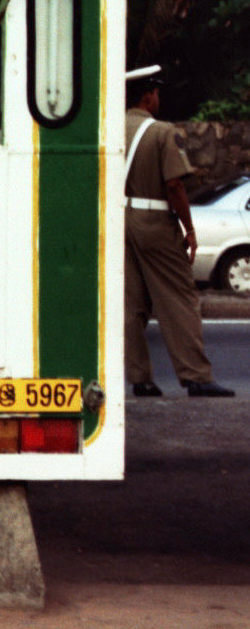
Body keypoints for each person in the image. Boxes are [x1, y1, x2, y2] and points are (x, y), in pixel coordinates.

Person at [124, 71, 233, 398]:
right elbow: (174, 184)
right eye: (156, 92)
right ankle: (196, 376)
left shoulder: (112, 128)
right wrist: (189, 228)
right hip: (155, 221)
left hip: (121, 218)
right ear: (148, 96)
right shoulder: (161, 132)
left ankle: (140, 378)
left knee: (132, 302)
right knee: (180, 298)